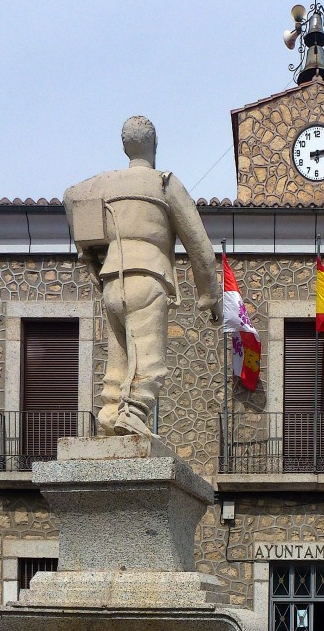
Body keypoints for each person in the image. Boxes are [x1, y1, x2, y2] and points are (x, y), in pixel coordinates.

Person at [64, 116, 220, 436]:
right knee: (148, 357)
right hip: (148, 277)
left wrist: (88, 255)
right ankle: (133, 412)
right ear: (155, 146)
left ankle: (109, 411)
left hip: (112, 280)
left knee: (120, 357)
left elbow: (69, 196)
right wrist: (211, 296)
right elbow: (200, 246)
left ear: (124, 147)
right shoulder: (164, 183)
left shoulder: (103, 182)